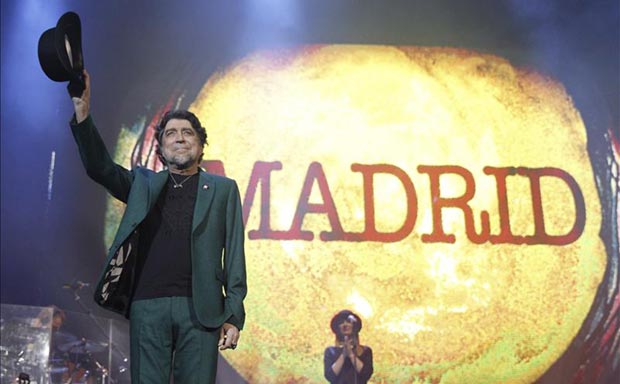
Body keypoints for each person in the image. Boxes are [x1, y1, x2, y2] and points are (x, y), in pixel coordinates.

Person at [69, 70, 247, 383]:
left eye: (188, 132)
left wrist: (233, 314)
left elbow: (234, 256)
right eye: (171, 133)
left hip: (202, 309)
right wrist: (83, 112)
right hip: (147, 305)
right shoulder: (142, 183)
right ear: (161, 149)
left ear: (200, 145)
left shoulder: (223, 189)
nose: (180, 137)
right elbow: (100, 167)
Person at [324, 310, 373, 384]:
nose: (345, 325)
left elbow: (366, 374)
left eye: (348, 322)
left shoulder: (365, 351)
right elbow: (330, 376)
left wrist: (351, 354)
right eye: (341, 322)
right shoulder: (330, 351)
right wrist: (343, 355)